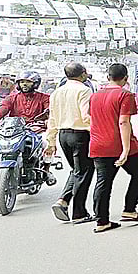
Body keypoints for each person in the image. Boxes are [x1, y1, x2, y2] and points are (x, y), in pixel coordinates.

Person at [88, 63, 138, 233]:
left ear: (108, 77)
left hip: (98, 144)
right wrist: (125, 149)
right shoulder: (125, 95)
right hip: (119, 144)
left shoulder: (95, 96)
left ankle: (102, 221)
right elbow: (123, 121)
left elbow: (92, 119)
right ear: (126, 78)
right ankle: (129, 209)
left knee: (103, 182)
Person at [45, 62, 95, 223]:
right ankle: (79, 212)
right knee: (84, 172)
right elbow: (86, 115)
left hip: (63, 135)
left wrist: (51, 141)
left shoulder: (56, 93)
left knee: (76, 170)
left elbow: (52, 119)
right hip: (80, 134)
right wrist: (98, 130)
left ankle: (63, 201)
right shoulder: (84, 90)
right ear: (83, 74)